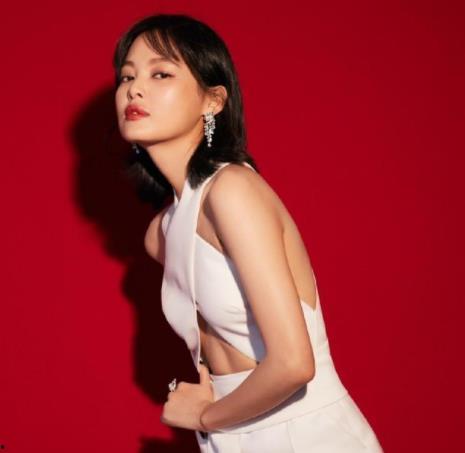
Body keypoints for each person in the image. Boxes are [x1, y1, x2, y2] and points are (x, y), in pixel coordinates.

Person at [113, 13, 384, 452]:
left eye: (160, 73)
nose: (134, 89)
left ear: (212, 101)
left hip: (306, 434)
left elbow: (294, 363)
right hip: (230, 437)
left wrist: (203, 416)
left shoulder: (231, 189)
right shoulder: (160, 233)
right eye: (127, 76)